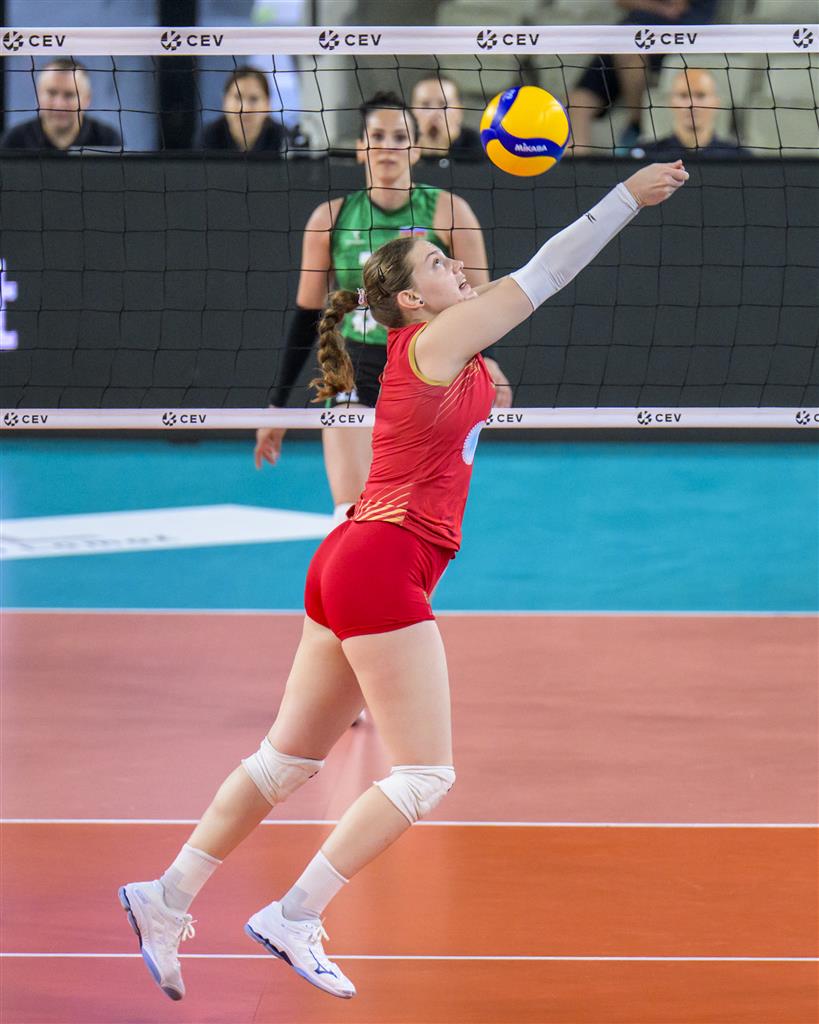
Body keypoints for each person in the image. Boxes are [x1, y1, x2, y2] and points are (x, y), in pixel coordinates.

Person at [118, 157, 688, 1002]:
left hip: (347, 559)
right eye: (437, 263)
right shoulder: (432, 340)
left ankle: (165, 897)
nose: (455, 265)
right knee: (425, 775)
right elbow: (545, 273)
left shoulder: (441, 349)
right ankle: (295, 915)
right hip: (383, 564)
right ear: (413, 300)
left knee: (284, 762)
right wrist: (625, 198)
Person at [254, 91, 511, 523]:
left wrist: (490, 361)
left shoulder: (450, 212)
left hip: (429, 365)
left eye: (400, 137)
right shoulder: (330, 219)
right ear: (360, 147)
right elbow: (307, 316)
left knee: (415, 514)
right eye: (377, 136)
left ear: (416, 148)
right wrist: (277, 407)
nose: (388, 147)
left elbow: (480, 300)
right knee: (350, 512)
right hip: (356, 365)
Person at [567, 0, 717, 155]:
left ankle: (637, 126)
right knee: (578, 102)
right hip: (628, 37)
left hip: (676, 36)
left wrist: (643, 5)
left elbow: (674, 8)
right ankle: (579, 164)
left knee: (630, 54)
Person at [0, 59, 121, 151]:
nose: (59, 104)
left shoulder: (108, 140)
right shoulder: (14, 140)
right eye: (51, 93)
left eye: (69, 95)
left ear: (87, 99)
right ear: (38, 95)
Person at [631, 68, 751, 160]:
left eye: (701, 95)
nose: (691, 104)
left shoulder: (740, 158)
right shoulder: (645, 156)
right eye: (683, 95)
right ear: (670, 101)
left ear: (716, 102)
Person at [199, 66, 285, 153]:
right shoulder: (209, 136)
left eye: (254, 99)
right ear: (224, 100)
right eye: (237, 97)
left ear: (267, 104)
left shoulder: (282, 137)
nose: (244, 109)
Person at [411, 74, 484, 164]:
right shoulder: (402, 143)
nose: (434, 112)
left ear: (459, 110)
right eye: (425, 104)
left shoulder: (478, 146)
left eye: (443, 105)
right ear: (412, 111)